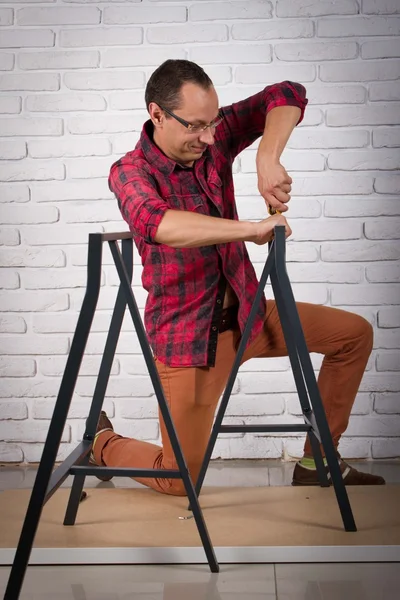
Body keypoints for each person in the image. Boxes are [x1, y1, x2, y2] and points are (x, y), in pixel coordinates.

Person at [90, 59, 384, 494]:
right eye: (196, 126)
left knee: (353, 336)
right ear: (157, 115)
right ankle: (102, 443)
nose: (209, 137)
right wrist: (251, 228)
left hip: (250, 317)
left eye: (213, 123)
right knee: (179, 480)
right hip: (191, 340)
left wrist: (268, 156)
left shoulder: (212, 137)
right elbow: (159, 224)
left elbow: (286, 93)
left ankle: (317, 461)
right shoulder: (130, 171)